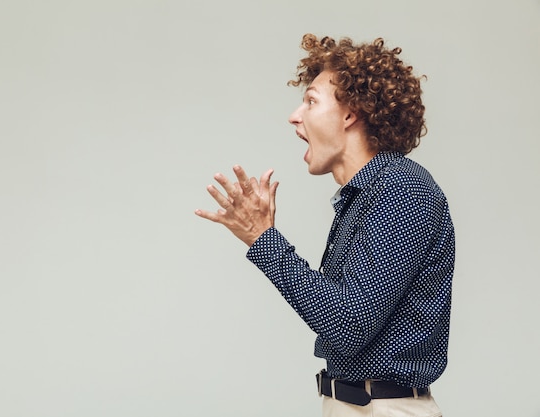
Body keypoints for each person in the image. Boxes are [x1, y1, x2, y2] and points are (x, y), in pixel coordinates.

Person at [194, 33, 455, 417]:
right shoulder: (367, 194)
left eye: (311, 101)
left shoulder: (401, 189)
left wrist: (262, 239)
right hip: (354, 404)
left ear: (350, 113)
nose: (295, 115)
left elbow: (348, 325)